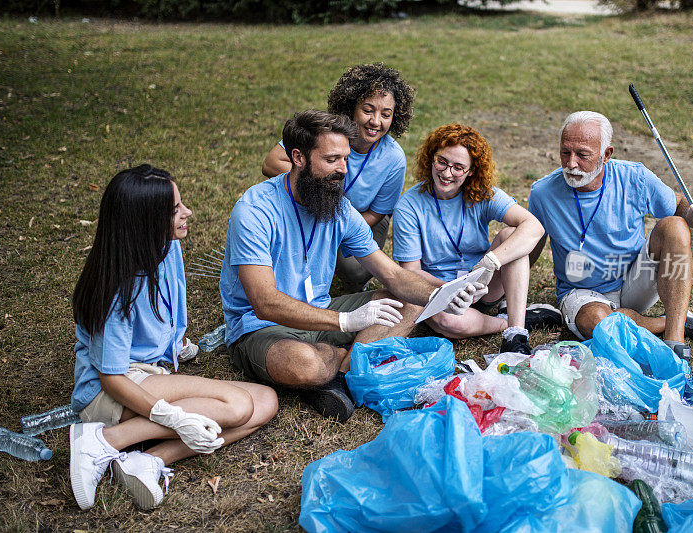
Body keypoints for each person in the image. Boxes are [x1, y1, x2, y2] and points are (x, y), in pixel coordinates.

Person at [222, 111, 481, 423]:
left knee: (408, 302)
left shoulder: (336, 204)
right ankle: (345, 365)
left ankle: (339, 375)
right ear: (298, 157)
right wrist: (346, 321)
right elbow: (264, 303)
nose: (342, 170)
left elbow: (394, 275)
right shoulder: (255, 210)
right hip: (261, 326)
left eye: (345, 159)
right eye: (332, 159)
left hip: (320, 310)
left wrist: (444, 294)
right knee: (304, 364)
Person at [69, 165, 278, 511]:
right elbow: (111, 376)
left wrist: (174, 346)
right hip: (110, 391)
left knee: (266, 402)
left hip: (152, 375)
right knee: (238, 407)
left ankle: (146, 460)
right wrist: (172, 416)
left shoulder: (167, 248)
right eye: (175, 209)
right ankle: (103, 439)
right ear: (145, 221)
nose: (187, 213)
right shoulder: (116, 289)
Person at [527, 111, 693, 396]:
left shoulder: (635, 176)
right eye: (565, 152)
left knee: (675, 227)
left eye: (582, 154)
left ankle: (675, 348)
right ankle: (672, 320)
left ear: (607, 154)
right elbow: (529, 248)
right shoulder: (543, 192)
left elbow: (677, 205)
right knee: (597, 321)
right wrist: (503, 289)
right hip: (582, 292)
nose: (571, 164)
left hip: (634, 279)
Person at [392, 124, 545, 354]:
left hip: (484, 282)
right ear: (430, 158)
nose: (446, 173)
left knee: (512, 235)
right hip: (439, 291)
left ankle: (516, 336)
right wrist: (451, 289)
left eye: (458, 167)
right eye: (441, 162)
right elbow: (411, 270)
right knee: (448, 322)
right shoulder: (409, 205)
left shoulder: (481, 193)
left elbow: (534, 226)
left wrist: (490, 262)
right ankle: (510, 323)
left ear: (472, 170)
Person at [262, 63, 415, 291]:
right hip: (311, 203)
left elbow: (377, 212)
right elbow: (270, 164)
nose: (375, 121)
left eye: (386, 114)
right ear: (352, 107)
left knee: (357, 270)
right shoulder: (325, 133)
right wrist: (315, 179)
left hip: (362, 216)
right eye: (368, 110)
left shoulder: (394, 158)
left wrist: (336, 232)